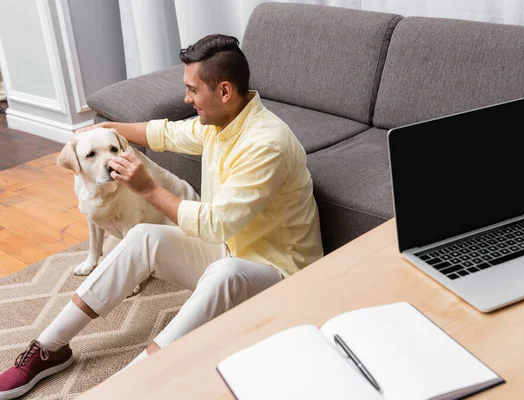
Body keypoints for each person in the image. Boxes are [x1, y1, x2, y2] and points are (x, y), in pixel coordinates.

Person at [0, 34, 323, 399]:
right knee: (143, 236)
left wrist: (147, 187)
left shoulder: (266, 144)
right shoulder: (222, 123)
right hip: (233, 250)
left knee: (224, 272)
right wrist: (106, 131)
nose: (186, 98)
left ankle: (135, 379)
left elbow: (215, 224)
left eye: (192, 90)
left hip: (284, 277)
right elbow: (165, 133)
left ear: (225, 91)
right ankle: (48, 348)